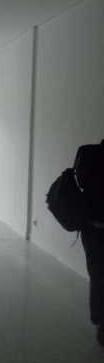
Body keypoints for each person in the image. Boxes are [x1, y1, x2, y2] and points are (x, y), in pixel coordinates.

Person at [77, 140, 104, 345]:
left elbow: (80, 182)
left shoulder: (87, 152)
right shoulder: (89, 153)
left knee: (98, 274)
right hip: (94, 226)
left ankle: (101, 324)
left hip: (92, 226)